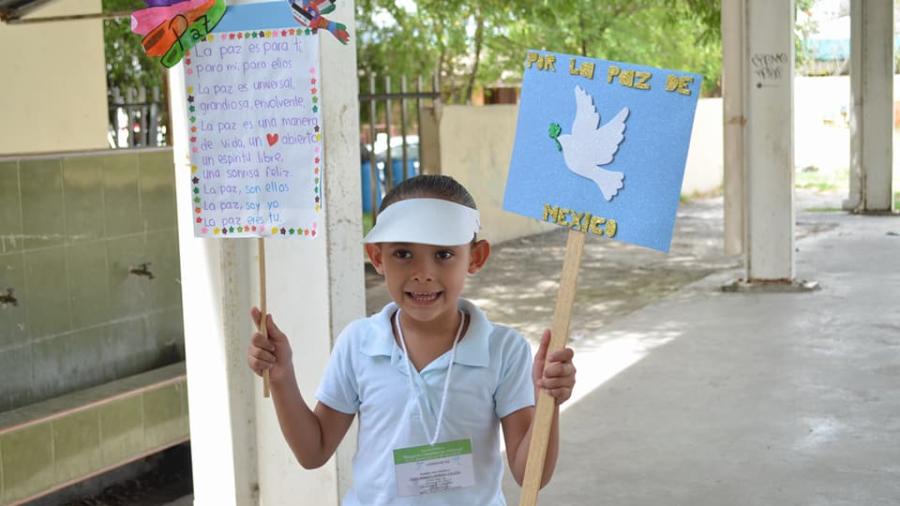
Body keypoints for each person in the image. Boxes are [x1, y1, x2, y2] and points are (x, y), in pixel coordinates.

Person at [247, 175, 576, 505]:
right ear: (377, 257)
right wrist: (282, 377)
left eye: (444, 254)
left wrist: (548, 399)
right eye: (403, 253)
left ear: (475, 258)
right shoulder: (358, 343)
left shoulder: (504, 350)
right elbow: (313, 450)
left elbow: (530, 474)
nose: (423, 273)